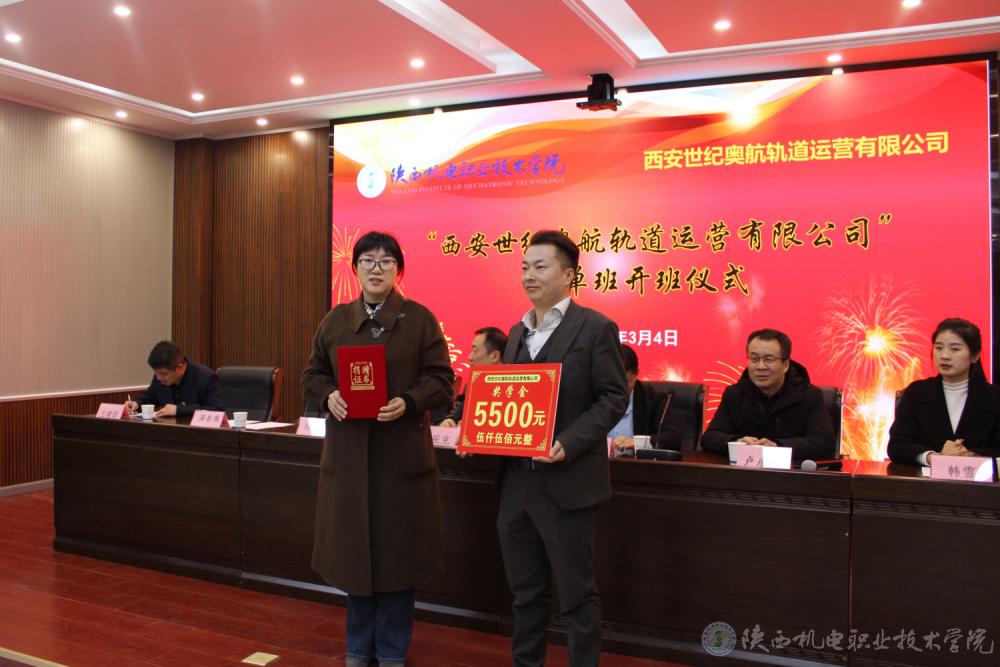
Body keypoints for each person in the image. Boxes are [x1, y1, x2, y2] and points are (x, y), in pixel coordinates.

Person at [302, 231, 454, 667]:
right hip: (348, 458)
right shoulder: (335, 320)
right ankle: (357, 648)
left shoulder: (420, 319)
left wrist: (409, 401)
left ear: (398, 270)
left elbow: (442, 380)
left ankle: (391, 652)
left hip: (400, 459)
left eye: (386, 261)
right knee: (355, 557)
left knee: (398, 561)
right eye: (367, 260)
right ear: (354, 269)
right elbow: (312, 374)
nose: (376, 268)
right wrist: (328, 394)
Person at [497, 230, 628, 667]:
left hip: (567, 484)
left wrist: (567, 443)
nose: (528, 275)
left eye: (540, 266)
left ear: (569, 275)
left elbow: (613, 398)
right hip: (517, 485)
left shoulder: (595, 328)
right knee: (525, 593)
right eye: (524, 267)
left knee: (576, 595)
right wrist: (481, 435)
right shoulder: (516, 332)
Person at [700, 328, 835, 460]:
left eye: (768, 360)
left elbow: (824, 443)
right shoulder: (735, 394)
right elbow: (710, 438)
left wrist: (778, 447)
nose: (760, 366)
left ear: (785, 365)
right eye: (754, 359)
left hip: (790, 471)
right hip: (745, 470)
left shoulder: (809, 396)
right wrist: (737, 442)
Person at [888, 317, 1000, 465]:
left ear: (975, 355)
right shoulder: (916, 393)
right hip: (925, 479)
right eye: (939, 348)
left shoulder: (994, 397)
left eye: (955, 349)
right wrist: (933, 457)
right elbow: (897, 446)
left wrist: (971, 455)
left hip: (980, 479)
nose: (944, 356)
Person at [608, 344, 682, 454]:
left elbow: (673, 438)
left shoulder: (653, 399)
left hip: (636, 463)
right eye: (612, 383)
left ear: (636, 374)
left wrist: (638, 442)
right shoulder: (590, 397)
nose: (618, 390)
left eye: (625, 384)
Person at [125, 340, 224, 418]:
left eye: (163, 374)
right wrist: (136, 404)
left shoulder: (205, 377)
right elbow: (149, 397)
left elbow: (216, 409)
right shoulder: (159, 378)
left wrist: (178, 410)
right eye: (156, 373)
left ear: (180, 367)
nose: (158, 378)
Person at [438, 326, 507, 427]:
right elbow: (457, 414)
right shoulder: (472, 384)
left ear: (495, 356)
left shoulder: (512, 388)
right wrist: (450, 420)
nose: (470, 357)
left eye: (475, 351)